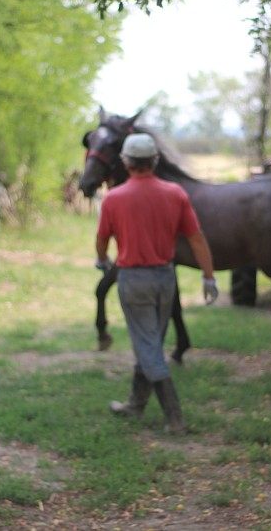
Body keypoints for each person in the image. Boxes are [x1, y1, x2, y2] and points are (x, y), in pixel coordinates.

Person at [95, 133, 217, 434]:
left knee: (147, 345)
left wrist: (102, 259)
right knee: (150, 341)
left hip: (133, 280)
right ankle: (135, 404)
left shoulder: (114, 198)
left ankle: (174, 418)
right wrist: (209, 275)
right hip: (165, 278)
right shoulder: (175, 194)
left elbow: (101, 239)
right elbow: (196, 238)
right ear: (155, 161)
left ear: (125, 162)